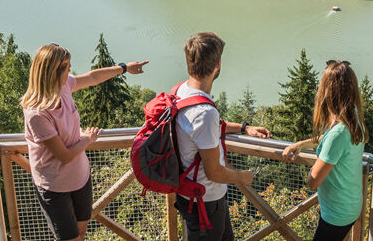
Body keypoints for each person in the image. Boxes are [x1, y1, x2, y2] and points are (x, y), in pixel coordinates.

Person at [21, 43, 148, 241]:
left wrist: (124, 68)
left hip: (80, 177)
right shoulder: (37, 113)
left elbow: (93, 77)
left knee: (80, 233)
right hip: (54, 186)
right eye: (67, 66)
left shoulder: (63, 86)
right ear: (53, 71)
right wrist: (87, 138)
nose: (71, 69)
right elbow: (64, 156)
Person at [174, 32, 271, 241]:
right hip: (205, 202)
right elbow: (215, 173)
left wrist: (244, 127)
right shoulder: (204, 112)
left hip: (192, 194)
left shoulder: (181, 91)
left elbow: (203, 130)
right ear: (217, 64)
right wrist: (243, 177)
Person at [283, 60, 367, 241]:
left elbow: (313, 181)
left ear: (327, 92)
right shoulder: (353, 118)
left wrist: (310, 170)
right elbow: (328, 141)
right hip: (349, 204)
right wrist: (301, 145)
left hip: (337, 214)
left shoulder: (338, 133)